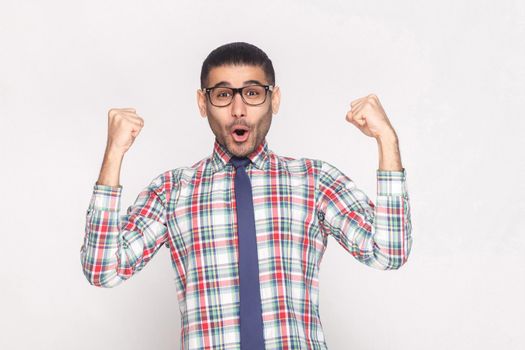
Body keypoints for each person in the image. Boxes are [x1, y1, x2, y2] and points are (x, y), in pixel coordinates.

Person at [80, 41, 412, 350]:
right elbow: (103, 269)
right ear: (202, 102)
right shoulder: (172, 191)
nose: (239, 109)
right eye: (223, 95)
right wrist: (114, 154)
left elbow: (389, 252)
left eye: (252, 93)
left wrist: (387, 141)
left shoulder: (314, 181)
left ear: (274, 99)